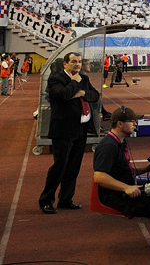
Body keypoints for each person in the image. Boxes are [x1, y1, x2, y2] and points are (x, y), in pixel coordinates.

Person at [93, 106, 150, 230]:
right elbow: (99, 176)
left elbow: (121, 171)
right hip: (116, 196)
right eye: (132, 121)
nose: (135, 123)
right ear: (120, 124)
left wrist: (146, 168)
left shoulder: (120, 142)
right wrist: (127, 188)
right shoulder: (108, 146)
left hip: (122, 191)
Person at [38, 51, 101, 213]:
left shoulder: (84, 78)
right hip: (63, 130)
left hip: (81, 129)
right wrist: (75, 83)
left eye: (79, 62)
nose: (77, 64)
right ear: (65, 64)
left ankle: (66, 199)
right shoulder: (56, 79)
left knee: (73, 167)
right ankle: (46, 200)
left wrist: (83, 93)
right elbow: (64, 95)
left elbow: (95, 95)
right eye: (74, 61)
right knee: (60, 166)